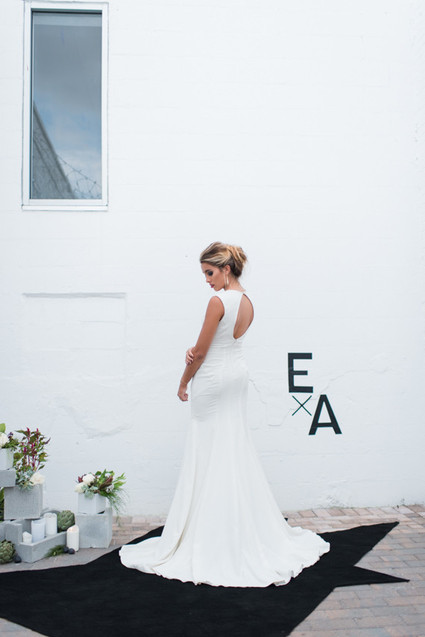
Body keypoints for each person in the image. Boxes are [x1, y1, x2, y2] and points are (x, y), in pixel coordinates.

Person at [119, 242, 330, 587]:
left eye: (210, 273)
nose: (206, 280)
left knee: (207, 448)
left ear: (226, 269)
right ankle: (239, 527)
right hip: (236, 376)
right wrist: (197, 352)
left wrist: (183, 381)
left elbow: (202, 352)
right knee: (232, 445)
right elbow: (221, 342)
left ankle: (210, 533)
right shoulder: (247, 301)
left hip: (214, 380)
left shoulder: (218, 301)